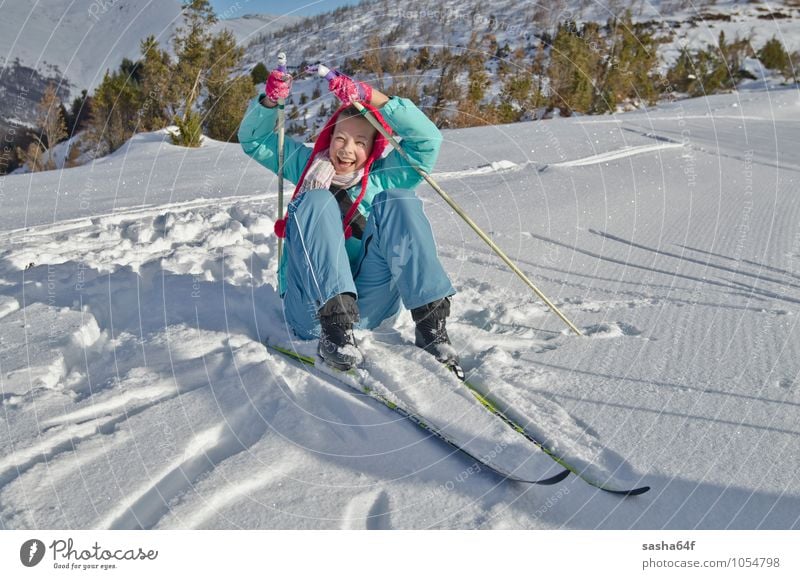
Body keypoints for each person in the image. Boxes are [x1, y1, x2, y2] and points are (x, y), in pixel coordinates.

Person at [239, 63, 461, 377]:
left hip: (371, 306)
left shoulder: (382, 177)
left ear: (373, 148)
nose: (347, 150)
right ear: (329, 137)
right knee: (315, 199)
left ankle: (431, 325)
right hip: (312, 312)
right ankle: (335, 332)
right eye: (341, 138)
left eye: (360, 142)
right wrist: (270, 103)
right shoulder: (304, 165)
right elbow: (254, 140)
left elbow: (427, 142)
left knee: (398, 200)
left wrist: (371, 96)